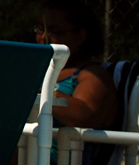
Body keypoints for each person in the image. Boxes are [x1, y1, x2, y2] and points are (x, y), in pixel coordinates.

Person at [36, 0, 117, 133]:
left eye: (55, 32)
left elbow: (85, 117)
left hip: (63, 152)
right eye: (40, 29)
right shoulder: (38, 71)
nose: (44, 37)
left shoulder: (92, 75)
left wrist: (36, 88)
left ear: (80, 36)